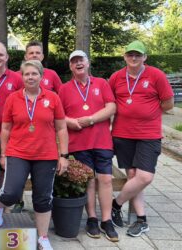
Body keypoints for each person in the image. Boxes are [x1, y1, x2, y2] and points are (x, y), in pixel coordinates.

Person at [0, 60, 69, 250]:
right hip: (17, 152)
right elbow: (5, 129)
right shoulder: (12, 98)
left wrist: (64, 156)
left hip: (46, 155)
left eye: (34, 74)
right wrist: (3, 154)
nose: (30, 77)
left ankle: (43, 237)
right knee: (11, 192)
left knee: (43, 197)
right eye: (26, 74)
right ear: (21, 76)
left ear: (41, 76)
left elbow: (61, 128)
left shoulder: (53, 98)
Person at [109, 40, 174, 237]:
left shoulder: (156, 75)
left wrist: (149, 113)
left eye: (138, 55)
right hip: (123, 134)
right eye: (130, 54)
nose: (134, 58)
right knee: (132, 177)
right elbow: (109, 102)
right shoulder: (116, 77)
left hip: (148, 134)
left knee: (144, 177)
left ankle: (115, 204)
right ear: (125, 57)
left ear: (145, 57)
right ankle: (141, 220)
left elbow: (168, 103)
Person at [58, 50, 118, 241]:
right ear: (70, 66)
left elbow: (111, 107)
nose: (78, 64)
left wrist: (90, 119)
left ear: (88, 62)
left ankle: (106, 220)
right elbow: (58, 115)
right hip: (78, 142)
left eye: (80, 60)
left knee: (106, 179)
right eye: (73, 61)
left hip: (101, 141)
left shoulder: (101, 83)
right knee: (89, 180)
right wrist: (70, 122)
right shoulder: (64, 89)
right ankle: (92, 218)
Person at [0, 41, 23, 182]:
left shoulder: (17, 79)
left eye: (1, 54)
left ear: (7, 57)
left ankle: (9, 202)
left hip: (10, 133)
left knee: (8, 171)